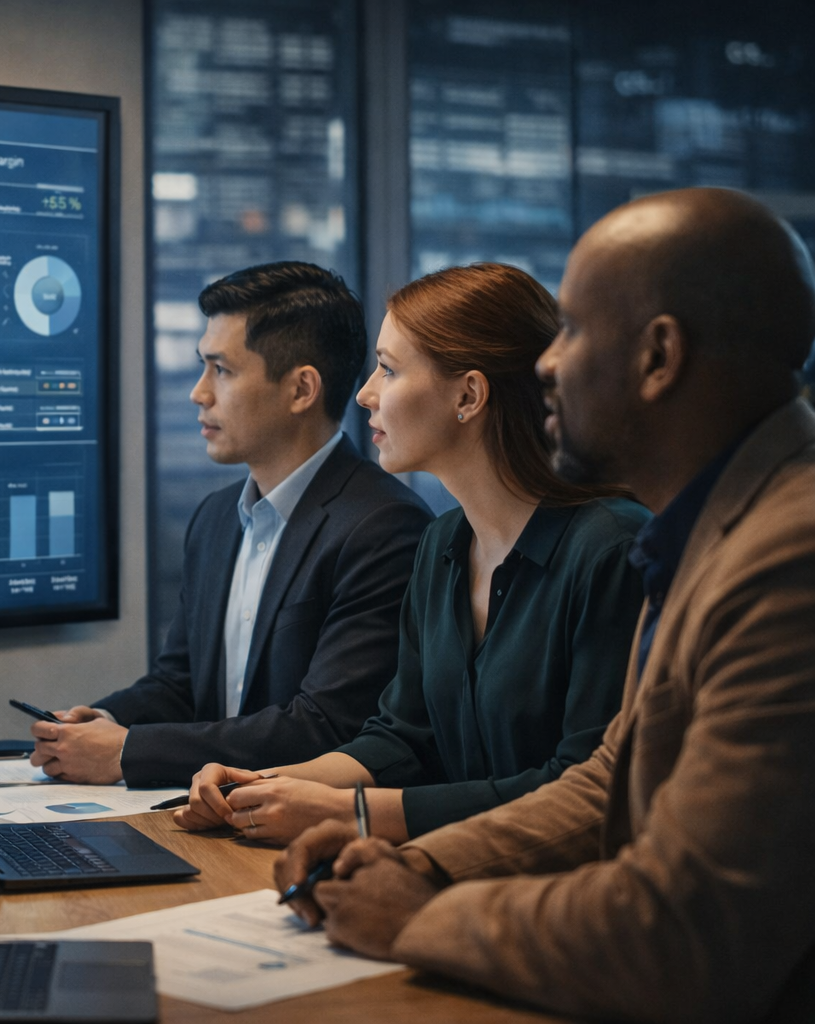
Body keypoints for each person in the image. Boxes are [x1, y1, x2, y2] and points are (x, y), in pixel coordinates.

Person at [276, 188, 815, 1023]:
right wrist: (425, 866)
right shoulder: (707, 530)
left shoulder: (789, 559)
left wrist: (422, 915)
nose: (547, 365)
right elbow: (609, 781)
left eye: (571, 330)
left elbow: (690, 933)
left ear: (658, 355)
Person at [177, 263, 647, 845]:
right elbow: (401, 737)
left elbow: (583, 791)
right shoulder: (443, 543)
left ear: (469, 395)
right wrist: (260, 783)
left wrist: (354, 816)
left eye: (389, 369)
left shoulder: (611, 549)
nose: (365, 393)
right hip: (455, 872)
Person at [30, 262, 431, 786]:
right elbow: (181, 684)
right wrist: (99, 723)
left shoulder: (383, 527)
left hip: (304, 827)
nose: (199, 392)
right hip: (213, 812)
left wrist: (128, 752)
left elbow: (328, 727)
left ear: (301, 390)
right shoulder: (217, 516)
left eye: (221, 369)